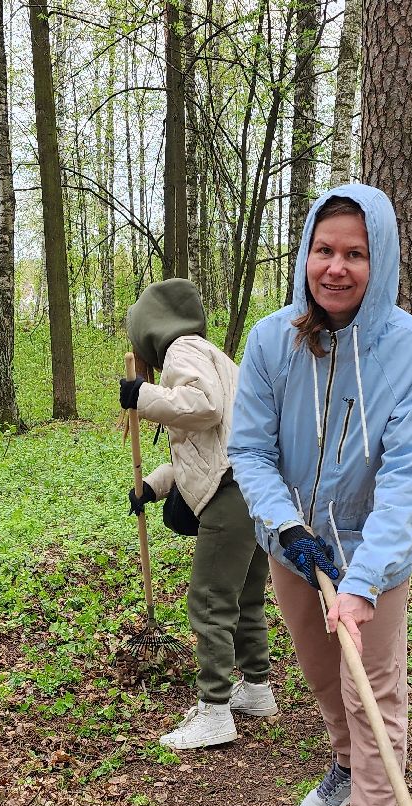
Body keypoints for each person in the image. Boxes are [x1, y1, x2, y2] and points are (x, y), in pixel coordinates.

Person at [229, 186, 412, 806]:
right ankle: (347, 765)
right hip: (292, 545)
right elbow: (249, 449)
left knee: (372, 695)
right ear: (304, 256)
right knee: (323, 677)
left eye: (355, 253)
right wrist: (287, 528)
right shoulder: (270, 340)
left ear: (377, 261)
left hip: (371, 554)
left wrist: (360, 582)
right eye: (325, 250)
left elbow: (408, 477)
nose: (337, 267)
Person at [121, 279, 277, 750]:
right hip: (255, 487)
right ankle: (256, 689)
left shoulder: (183, 351)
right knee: (245, 595)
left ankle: (214, 711)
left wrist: (142, 397)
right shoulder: (216, 357)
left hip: (230, 493)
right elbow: (201, 446)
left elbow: (202, 410)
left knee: (209, 597)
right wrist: (152, 487)